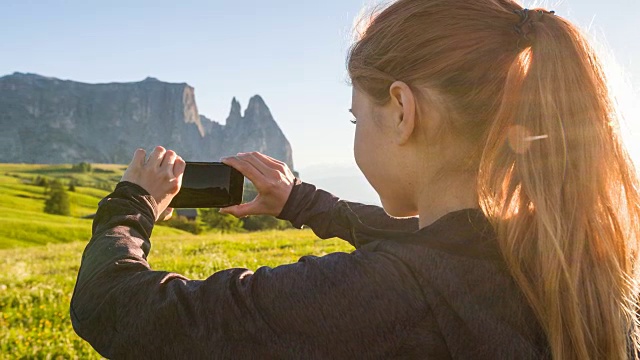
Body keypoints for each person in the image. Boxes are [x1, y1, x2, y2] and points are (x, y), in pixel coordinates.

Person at [70, 0, 640, 359]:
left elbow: (114, 308)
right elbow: (438, 245)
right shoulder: (568, 253)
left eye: (355, 118)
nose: (354, 132)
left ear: (400, 110)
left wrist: (134, 203)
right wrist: (301, 202)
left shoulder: (383, 295)